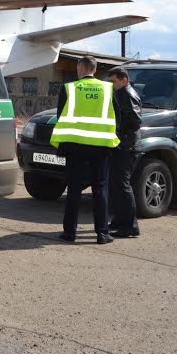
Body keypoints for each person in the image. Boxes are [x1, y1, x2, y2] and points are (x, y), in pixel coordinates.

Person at [50, 56, 119, 244]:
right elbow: (117, 117)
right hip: (101, 146)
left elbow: (60, 116)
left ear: (80, 68)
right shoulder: (108, 89)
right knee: (100, 189)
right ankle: (102, 233)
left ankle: (69, 233)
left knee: (73, 189)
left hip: (75, 146)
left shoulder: (69, 88)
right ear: (95, 70)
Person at [107, 66, 142, 238]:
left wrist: (119, 135)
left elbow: (135, 121)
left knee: (123, 186)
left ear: (124, 80)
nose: (111, 84)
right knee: (116, 186)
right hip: (121, 146)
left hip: (126, 148)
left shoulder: (127, 94)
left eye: (113, 81)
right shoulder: (120, 93)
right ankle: (119, 221)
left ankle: (130, 225)